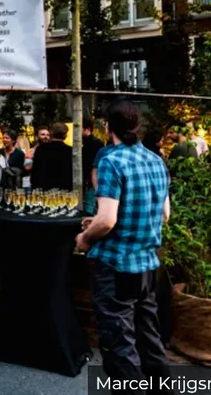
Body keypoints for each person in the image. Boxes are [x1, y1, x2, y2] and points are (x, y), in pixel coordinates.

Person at [76, 100, 172, 391]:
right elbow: (165, 214)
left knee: (119, 344)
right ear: (138, 127)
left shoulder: (111, 161)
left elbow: (106, 220)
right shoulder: (157, 161)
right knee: (149, 336)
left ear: (108, 127)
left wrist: (85, 237)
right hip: (147, 265)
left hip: (117, 264)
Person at [30, 122, 73, 191]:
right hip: (64, 190)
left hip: (44, 190)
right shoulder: (70, 150)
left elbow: (35, 172)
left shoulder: (41, 149)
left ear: (51, 133)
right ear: (65, 135)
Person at [82, 119, 104, 216]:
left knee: (89, 208)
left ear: (87, 129)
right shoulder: (89, 142)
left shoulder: (95, 144)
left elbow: (93, 165)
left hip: (90, 181)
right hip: (87, 180)